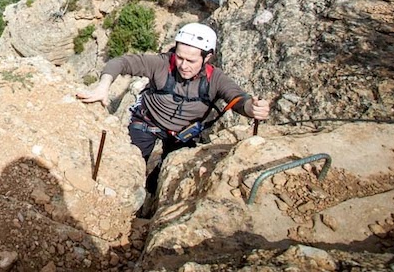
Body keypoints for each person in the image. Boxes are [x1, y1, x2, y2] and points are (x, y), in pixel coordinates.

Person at [77, 22, 270, 193]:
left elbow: (237, 97)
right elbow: (121, 62)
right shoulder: (161, 64)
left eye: (191, 60)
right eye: (179, 58)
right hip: (148, 122)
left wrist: (251, 109)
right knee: (129, 164)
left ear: (207, 57)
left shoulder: (215, 79)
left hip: (184, 134)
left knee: (169, 176)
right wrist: (102, 87)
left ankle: (153, 193)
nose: (183, 65)